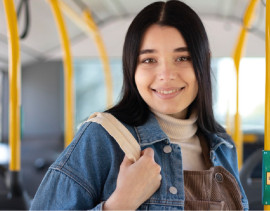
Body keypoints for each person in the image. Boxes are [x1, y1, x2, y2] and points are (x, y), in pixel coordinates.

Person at [30, 0, 249, 210]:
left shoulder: (223, 146)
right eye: (149, 60)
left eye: (182, 58)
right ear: (131, 68)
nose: (165, 75)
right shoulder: (102, 137)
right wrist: (120, 204)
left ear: (204, 61)